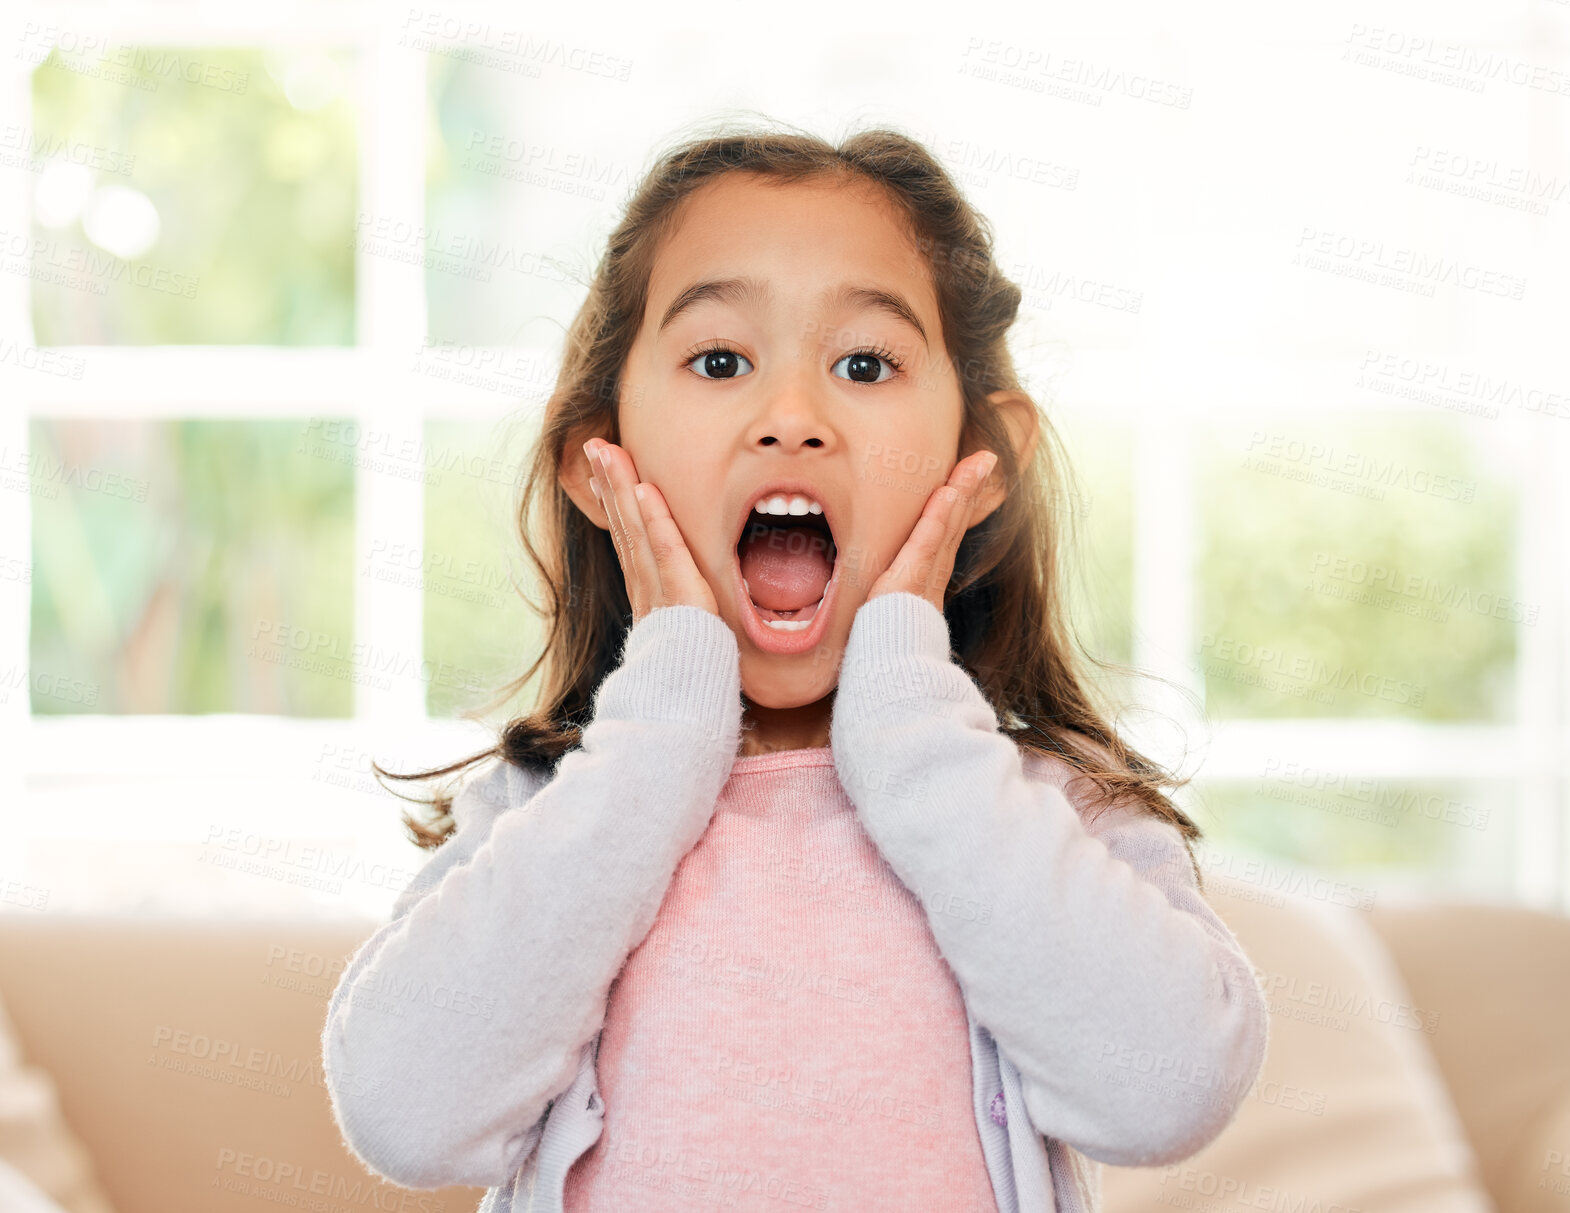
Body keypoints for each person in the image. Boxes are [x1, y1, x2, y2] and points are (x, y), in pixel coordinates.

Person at [322, 122, 1268, 1213]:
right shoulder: (554, 813)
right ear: (599, 459)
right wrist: (661, 737)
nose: (792, 419)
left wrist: (915, 732)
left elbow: (1170, 1091)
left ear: (981, 459)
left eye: (864, 363)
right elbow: (406, 1111)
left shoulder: (1045, 813)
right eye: (719, 360)